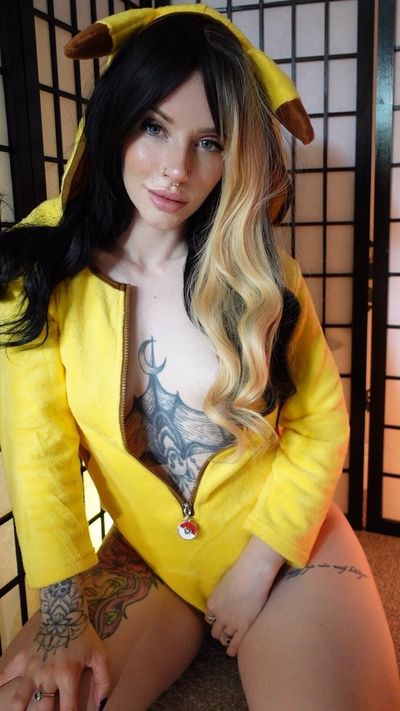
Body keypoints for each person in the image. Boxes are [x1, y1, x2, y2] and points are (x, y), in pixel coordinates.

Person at [0, 5, 398, 710]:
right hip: (148, 553)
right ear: (115, 118)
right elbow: (39, 448)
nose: (176, 170)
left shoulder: (262, 274)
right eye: (154, 126)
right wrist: (61, 613)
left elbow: (320, 424)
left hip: (278, 546)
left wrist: (258, 565)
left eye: (209, 142)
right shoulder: (41, 263)